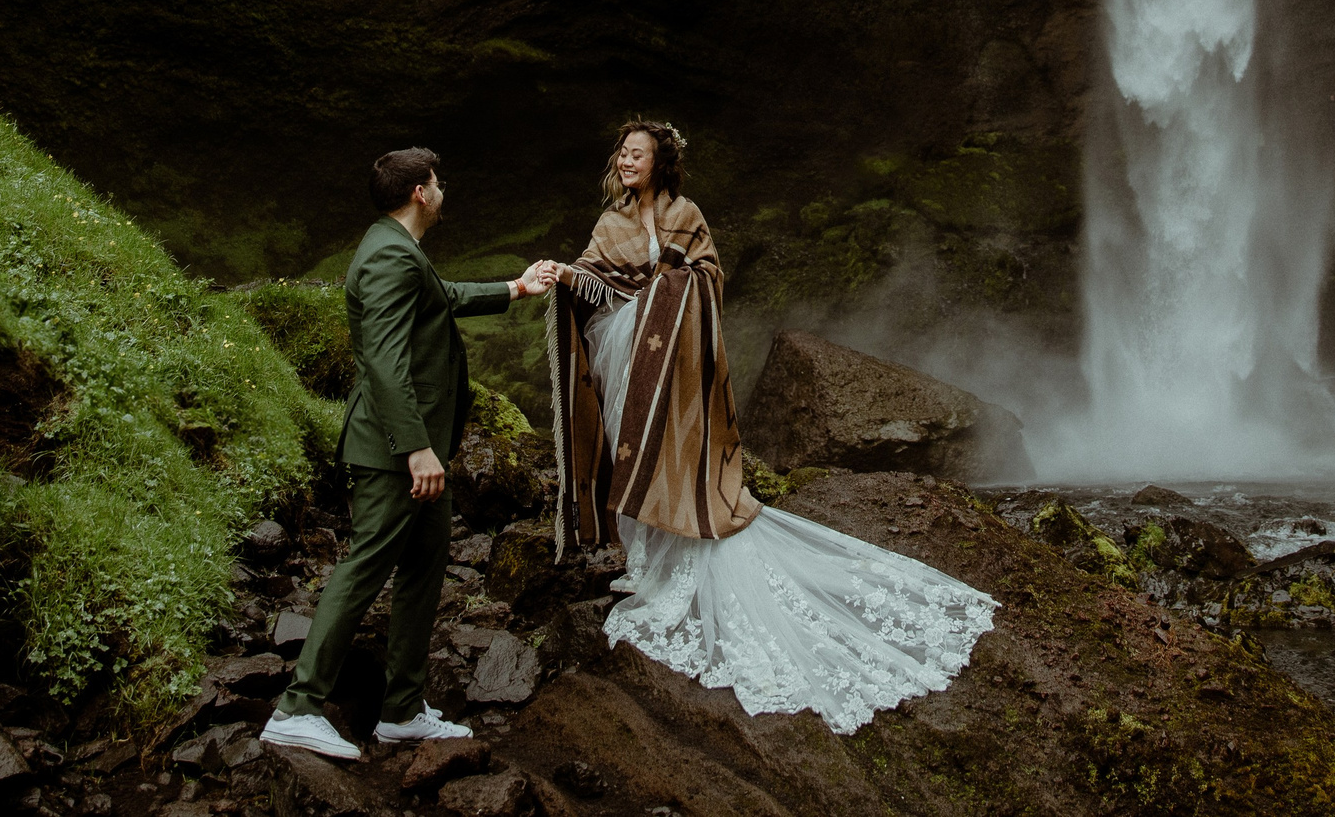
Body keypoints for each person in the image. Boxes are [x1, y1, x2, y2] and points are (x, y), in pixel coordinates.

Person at [544, 120, 998, 733]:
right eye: (621, 153)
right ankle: (642, 559)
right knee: (632, 445)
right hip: (625, 355)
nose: (625, 161)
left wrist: (669, 290)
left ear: (660, 163)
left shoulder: (687, 213)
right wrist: (564, 277)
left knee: (676, 449)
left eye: (637, 154)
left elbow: (709, 279)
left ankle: (677, 540)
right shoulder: (609, 222)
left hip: (677, 359)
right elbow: (597, 279)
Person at [260, 147, 560, 760]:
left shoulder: (395, 247)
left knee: (425, 564)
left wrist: (516, 288)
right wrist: (418, 450)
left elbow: (439, 295)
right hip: (397, 452)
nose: (443, 190)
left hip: (415, 449)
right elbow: (386, 362)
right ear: (421, 194)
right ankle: (297, 707)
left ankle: (402, 709)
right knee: (366, 565)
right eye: (437, 183)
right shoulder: (388, 258)